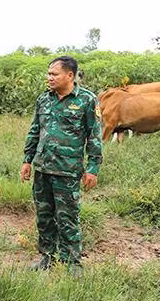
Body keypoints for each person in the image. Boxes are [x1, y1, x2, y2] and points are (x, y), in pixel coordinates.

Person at [21, 56, 102, 276]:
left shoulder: (87, 100)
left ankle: (72, 262)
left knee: (68, 218)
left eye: (54, 74)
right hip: (43, 168)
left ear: (70, 75)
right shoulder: (44, 99)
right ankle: (47, 256)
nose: (49, 78)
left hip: (68, 170)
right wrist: (27, 160)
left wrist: (93, 169)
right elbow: (35, 130)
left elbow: (94, 136)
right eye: (48, 74)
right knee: (44, 216)